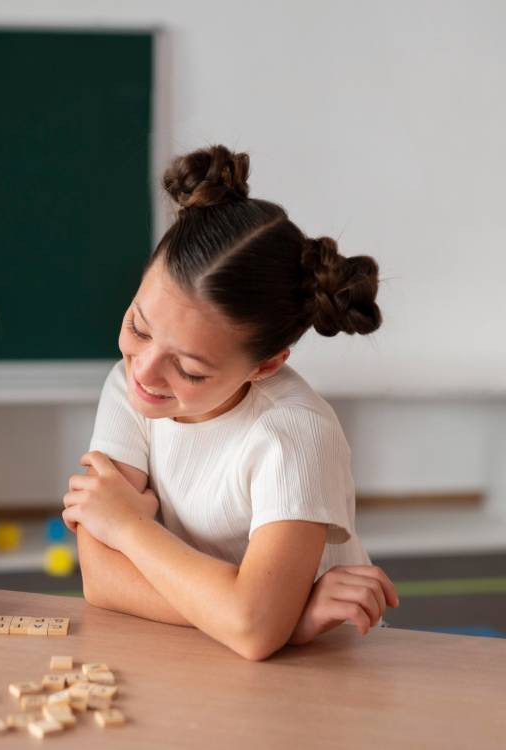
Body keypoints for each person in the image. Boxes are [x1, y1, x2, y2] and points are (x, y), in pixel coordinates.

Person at [63, 145, 398, 660]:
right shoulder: (130, 385)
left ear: (266, 365)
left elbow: (254, 629)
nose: (143, 371)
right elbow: (102, 581)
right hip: (209, 658)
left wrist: (128, 526)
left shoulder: (294, 431)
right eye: (139, 327)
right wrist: (278, 617)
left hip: (324, 669)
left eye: (190, 369)